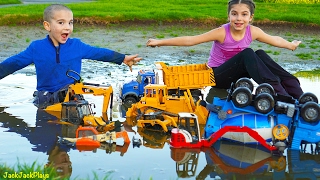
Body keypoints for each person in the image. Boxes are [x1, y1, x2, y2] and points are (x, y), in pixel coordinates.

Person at [146, 0, 303, 99]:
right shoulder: (222, 32)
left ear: (251, 17)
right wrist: (160, 42)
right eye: (234, 14)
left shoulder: (253, 31)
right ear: (229, 16)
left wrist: (291, 45)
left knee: (260, 54)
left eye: (244, 14)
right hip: (218, 77)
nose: (239, 18)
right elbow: (191, 40)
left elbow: (274, 40)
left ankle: (294, 89)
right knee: (248, 53)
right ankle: (279, 92)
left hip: (237, 73)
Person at [0, 4, 142, 108]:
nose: (67, 27)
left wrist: (122, 58)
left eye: (70, 22)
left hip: (72, 96)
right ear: (47, 25)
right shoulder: (36, 48)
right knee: (43, 130)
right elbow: (14, 63)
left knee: (71, 131)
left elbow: (99, 53)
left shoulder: (77, 46)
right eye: (61, 23)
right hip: (45, 98)